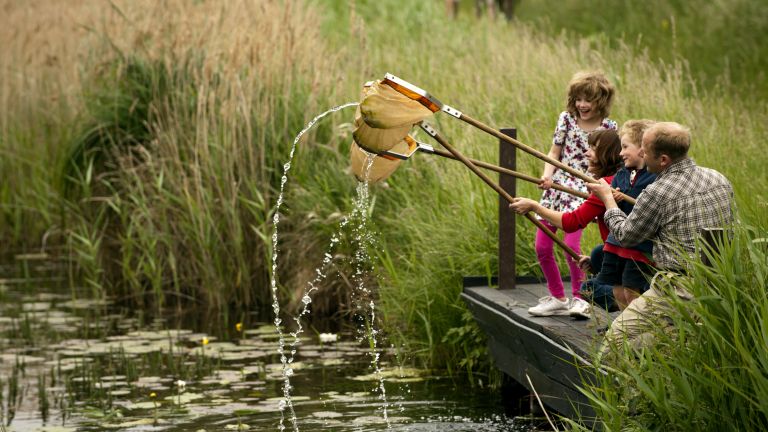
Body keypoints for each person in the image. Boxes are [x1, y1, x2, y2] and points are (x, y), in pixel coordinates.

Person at [587, 122, 734, 354]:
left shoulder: (657, 192)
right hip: (719, 281)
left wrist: (607, 199)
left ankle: (675, 342)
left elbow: (626, 236)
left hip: (677, 287)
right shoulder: (718, 179)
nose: (641, 154)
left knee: (611, 348)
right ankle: (679, 340)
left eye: (644, 150)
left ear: (663, 159)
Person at [529, 71, 617, 316]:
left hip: (584, 186)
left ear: (600, 100)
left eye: (587, 99)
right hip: (557, 187)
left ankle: (580, 298)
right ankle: (557, 296)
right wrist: (548, 175)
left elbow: (610, 164)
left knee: (571, 247)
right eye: (578, 99)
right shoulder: (566, 119)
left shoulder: (609, 127)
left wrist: (603, 186)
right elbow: (554, 152)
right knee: (542, 247)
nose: (581, 105)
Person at [511, 128, 621, 317]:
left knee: (589, 289)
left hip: (630, 259)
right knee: (596, 255)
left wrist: (535, 207)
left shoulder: (606, 186)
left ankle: (628, 312)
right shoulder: (619, 179)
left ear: (606, 155)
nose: (586, 153)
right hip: (624, 253)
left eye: (593, 149)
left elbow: (572, 222)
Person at [597, 120, 658, 310]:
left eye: (625, 147)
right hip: (616, 242)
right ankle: (622, 328)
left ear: (642, 148)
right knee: (617, 288)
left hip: (638, 245)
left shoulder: (654, 177)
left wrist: (620, 197)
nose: (620, 153)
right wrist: (613, 197)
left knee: (632, 290)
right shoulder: (622, 174)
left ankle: (636, 327)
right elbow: (613, 208)